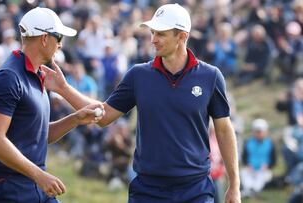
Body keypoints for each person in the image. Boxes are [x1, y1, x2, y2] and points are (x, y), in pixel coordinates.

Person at [43, 3, 241, 203]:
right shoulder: (139, 75)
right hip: (148, 189)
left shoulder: (211, 76)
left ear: (182, 36)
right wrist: (63, 88)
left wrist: (234, 184)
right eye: (153, 32)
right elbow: (104, 116)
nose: (153, 39)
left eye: (161, 34)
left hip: (195, 190)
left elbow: (224, 130)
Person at [0, 7, 104, 203]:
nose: (61, 45)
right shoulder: (9, 78)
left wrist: (75, 119)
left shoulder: (37, 76)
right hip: (7, 190)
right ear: (45, 38)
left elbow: (36, 135)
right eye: (58, 38)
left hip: (32, 186)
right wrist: (38, 175)